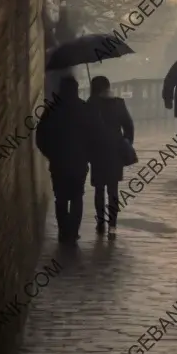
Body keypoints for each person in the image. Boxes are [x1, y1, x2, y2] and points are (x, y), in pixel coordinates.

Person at [35, 75, 92, 243]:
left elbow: (41, 138)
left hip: (58, 162)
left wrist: (51, 155)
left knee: (60, 197)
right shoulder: (85, 108)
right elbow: (94, 136)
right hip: (79, 162)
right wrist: (87, 155)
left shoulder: (51, 110)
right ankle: (73, 232)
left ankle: (63, 232)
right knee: (76, 197)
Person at [86, 75, 134, 237]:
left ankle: (100, 222)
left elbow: (84, 130)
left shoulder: (90, 105)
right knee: (113, 190)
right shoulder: (118, 103)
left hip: (97, 151)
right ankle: (112, 225)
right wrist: (126, 142)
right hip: (115, 151)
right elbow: (129, 125)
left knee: (99, 189)